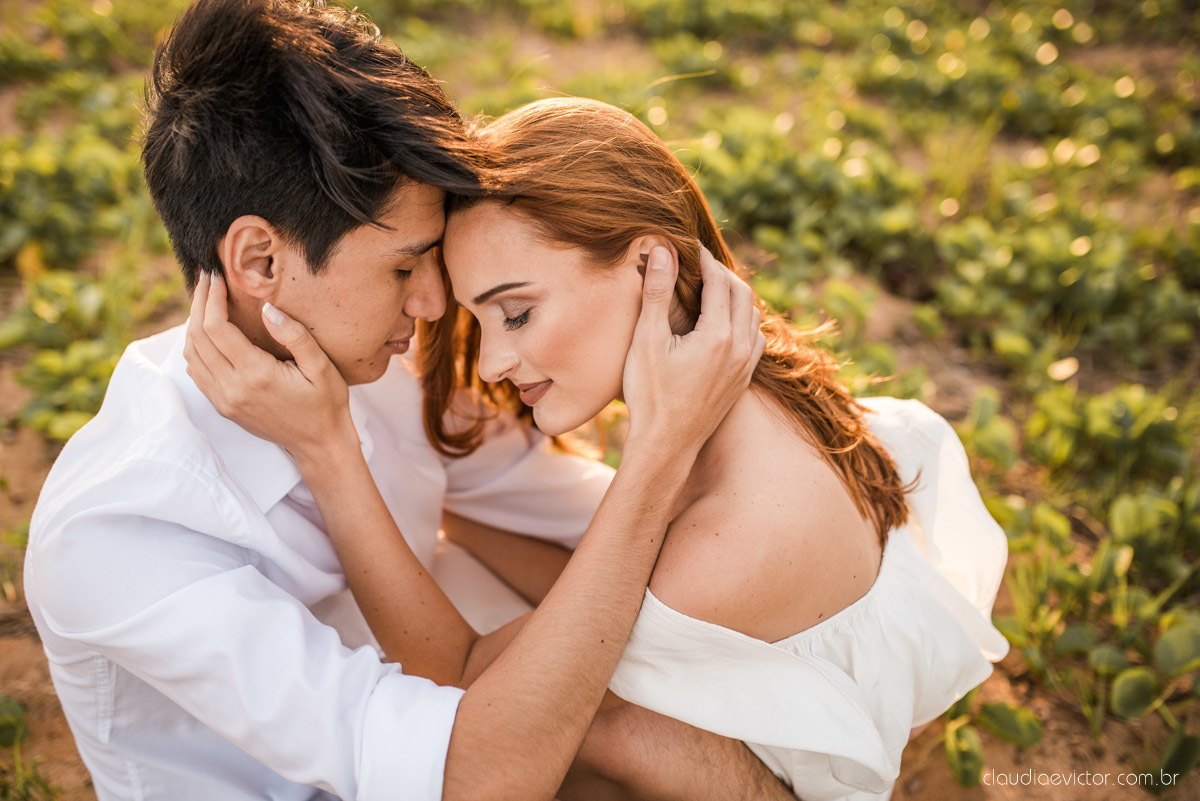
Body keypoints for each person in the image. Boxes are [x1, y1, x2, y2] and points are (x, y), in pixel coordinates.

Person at [23, 2, 783, 800]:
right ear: (260, 261)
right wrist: (658, 453)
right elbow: (474, 777)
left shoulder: (378, 356)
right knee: (631, 729)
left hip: (438, 699)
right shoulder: (121, 530)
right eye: (401, 267)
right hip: (410, 773)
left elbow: (566, 514)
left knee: (665, 703)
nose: (432, 302)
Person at [189, 96, 1012, 801]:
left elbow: (467, 683)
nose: (496, 360)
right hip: (745, 679)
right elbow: (599, 592)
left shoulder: (728, 534)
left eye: (516, 313)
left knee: (601, 733)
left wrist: (328, 449)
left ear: (648, 263)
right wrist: (456, 520)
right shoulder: (743, 391)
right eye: (480, 320)